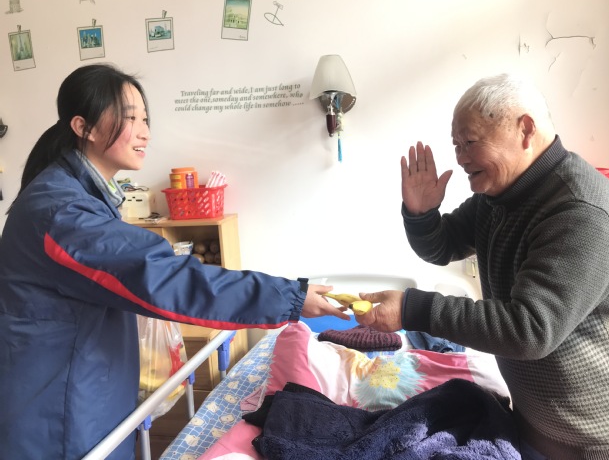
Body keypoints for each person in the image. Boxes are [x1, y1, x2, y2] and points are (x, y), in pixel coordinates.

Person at [0, 63, 348, 459]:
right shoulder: (62, 212)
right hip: (57, 411)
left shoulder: (77, 196)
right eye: (130, 118)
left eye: (145, 118)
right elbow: (164, 278)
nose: (145, 131)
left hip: (80, 390)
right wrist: (290, 297)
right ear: (85, 127)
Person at [356, 73, 609, 459]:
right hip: (536, 421)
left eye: (470, 142)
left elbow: (529, 330)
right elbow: (444, 245)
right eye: (456, 146)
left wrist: (411, 309)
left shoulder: (580, 211)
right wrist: (422, 214)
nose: (460, 157)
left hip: (597, 439)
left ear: (525, 129)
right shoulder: (502, 195)